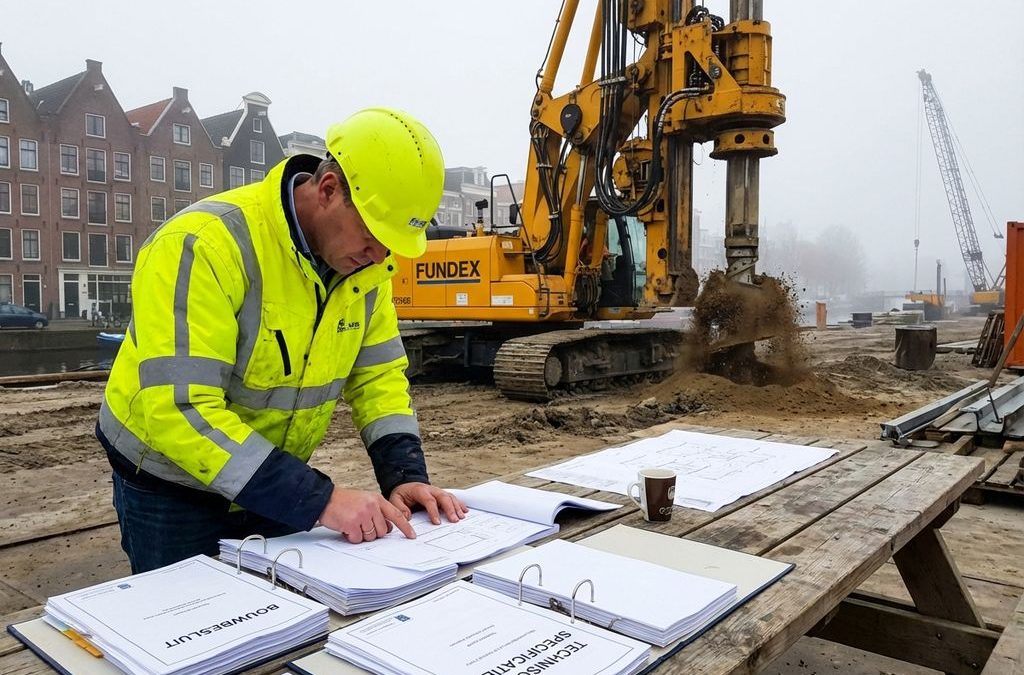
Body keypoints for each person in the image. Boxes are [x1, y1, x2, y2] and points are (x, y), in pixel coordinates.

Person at [97, 108, 467, 573]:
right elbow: (181, 409)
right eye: (374, 234)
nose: (381, 256)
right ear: (328, 189)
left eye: (393, 244)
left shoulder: (366, 269)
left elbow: (379, 381)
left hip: (268, 477)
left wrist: (405, 475)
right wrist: (320, 499)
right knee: (184, 627)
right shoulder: (205, 245)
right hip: (172, 485)